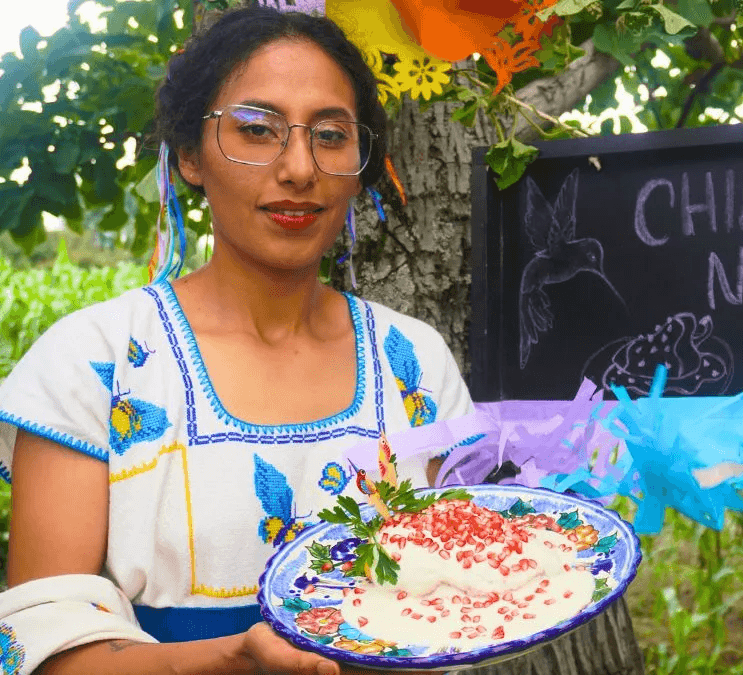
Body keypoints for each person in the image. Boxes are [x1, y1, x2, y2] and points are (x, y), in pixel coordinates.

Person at [0, 7, 466, 674]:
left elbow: (458, 589)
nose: (300, 167)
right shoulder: (92, 366)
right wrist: (229, 658)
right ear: (190, 155)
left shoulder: (416, 364)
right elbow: (37, 647)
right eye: (256, 129)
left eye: (330, 135)